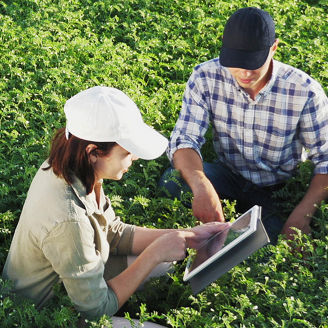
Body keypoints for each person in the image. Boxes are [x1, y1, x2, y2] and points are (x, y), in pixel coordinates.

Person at [2, 86, 230, 327]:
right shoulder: (69, 221)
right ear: (93, 152)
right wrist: (153, 254)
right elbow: (95, 310)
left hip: (71, 278)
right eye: (128, 151)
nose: (135, 157)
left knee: (165, 260)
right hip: (45, 315)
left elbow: (112, 231)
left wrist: (186, 236)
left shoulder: (71, 166)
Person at [161, 7, 328, 244]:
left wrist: (301, 216)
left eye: (253, 63)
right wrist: (201, 186)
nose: (245, 72)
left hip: (276, 190)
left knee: (271, 246)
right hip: (227, 175)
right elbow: (184, 139)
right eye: (237, 62)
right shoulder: (205, 77)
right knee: (172, 181)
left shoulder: (305, 92)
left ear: (274, 48)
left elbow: (326, 160)